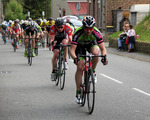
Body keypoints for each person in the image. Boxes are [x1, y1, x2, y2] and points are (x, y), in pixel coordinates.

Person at [70, 16, 108, 104]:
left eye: (90, 28)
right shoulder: (78, 32)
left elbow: (103, 49)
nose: (88, 30)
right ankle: (78, 93)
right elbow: (72, 50)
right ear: (83, 26)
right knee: (80, 66)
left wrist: (104, 57)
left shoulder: (96, 32)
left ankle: (93, 72)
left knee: (96, 52)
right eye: (86, 28)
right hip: (80, 47)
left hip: (91, 44)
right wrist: (75, 58)